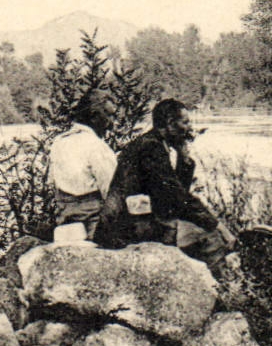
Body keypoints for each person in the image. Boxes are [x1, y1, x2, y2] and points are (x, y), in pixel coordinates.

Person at [99, 98, 235, 271]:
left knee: (196, 231)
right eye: (185, 122)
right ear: (170, 124)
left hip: (135, 221)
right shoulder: (151, 149)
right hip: (126, 228)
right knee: (209, 237)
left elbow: (173, 195)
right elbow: (177, 197)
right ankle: (224, 286)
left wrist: (183, 160)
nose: (189, 128)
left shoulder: (152, 143)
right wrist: (218, 225)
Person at [47, 95, 118, 243]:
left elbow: (52, 184)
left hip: (65, 225)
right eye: (109, 115)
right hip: (94, 227)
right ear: (93, 117)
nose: (112, 122)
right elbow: (112, 191)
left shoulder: (59, 143)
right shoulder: (97, 146)